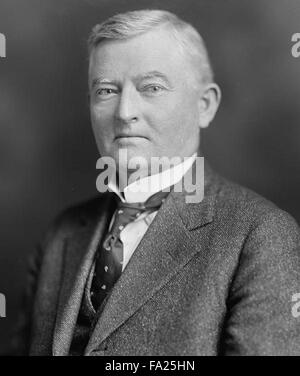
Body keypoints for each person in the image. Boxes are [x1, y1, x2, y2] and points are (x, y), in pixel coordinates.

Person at [14, 9, 300, 356]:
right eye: (106, 90)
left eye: (151, 87)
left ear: (204, 106)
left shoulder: (262, 236)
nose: (123, 113)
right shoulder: (61, 234)